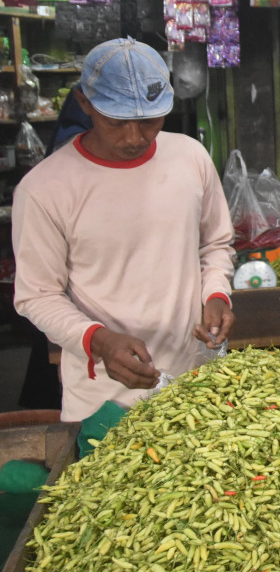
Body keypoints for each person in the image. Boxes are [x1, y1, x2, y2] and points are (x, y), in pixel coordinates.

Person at [12, 38, 236, 421]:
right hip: (104, 401)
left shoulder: (190, 157)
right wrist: (98, 340)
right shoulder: (43, 189)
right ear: (85, 104)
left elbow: (215, 243)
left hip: (199, 383)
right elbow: (37, 296)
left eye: (150, 120)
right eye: (116, 122)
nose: (134, 137)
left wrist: (217, 295)